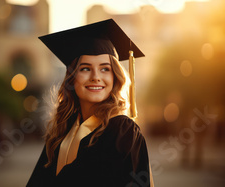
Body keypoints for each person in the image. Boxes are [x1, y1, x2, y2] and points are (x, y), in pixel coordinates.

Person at [27, 19, 153, 187]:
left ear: (115, 77)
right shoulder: (61, 132)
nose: (95, 76)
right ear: (72, 77)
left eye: (105, 69)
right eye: (85, 68)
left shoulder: (123, 132)